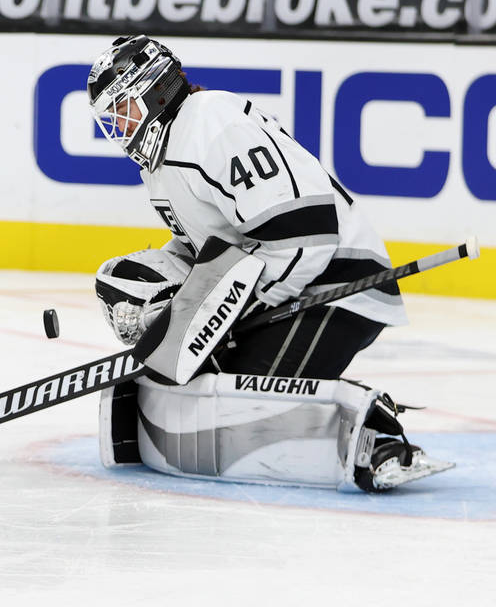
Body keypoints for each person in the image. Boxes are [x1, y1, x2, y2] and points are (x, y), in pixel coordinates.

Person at [86, 34, 452, 492]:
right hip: (288, 282)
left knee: (244, 399)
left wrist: (237, 311)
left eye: (124, 110)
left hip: (337, 282)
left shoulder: (211, 125)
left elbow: (307, 232)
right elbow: (215, 247)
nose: (120, 127)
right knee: (207, 384)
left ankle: (379, 437)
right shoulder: (161, 164)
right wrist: (155, 283)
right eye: (113, 118)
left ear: (156, 90)